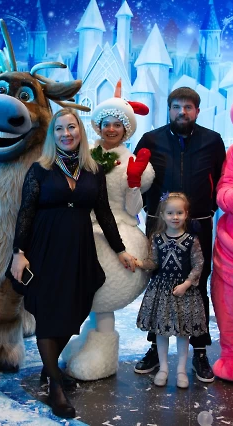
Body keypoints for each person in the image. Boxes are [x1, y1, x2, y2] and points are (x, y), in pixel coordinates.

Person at [10, 108, 136, 418]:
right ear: (52, 135)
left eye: (71, 127)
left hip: (79, 249)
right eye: (60, 129)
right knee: (49, 312)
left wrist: (120, 250)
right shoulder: (40, 169)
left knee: (74, 309)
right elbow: (26, 212)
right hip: (45, 248)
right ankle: (55, 386)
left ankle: (50, 367)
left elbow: (104, 213)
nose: (66, 133)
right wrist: (18, 252)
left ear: (80, 131)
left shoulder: (93, 170)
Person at [133, 87, 226, 383]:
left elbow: (222, 179)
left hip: (197, 225)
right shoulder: (151, 140)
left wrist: (209, 209)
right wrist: (145, 209)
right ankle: (154, 348)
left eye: (188, 107)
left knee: (196, 285)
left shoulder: (213, 140)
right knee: (159, 285)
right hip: (159, 227)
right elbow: (136, 177)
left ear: (197, 110)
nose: (182, 112)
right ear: (168, 109)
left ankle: (199, 351)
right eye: (176, 106)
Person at [63, 86, 155, 381]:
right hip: (82, 228)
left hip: (117, 231)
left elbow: (133, 209)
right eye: (107, 123)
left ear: (126, 129)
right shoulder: (84, 156)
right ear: (98, 126)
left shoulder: (133, 162)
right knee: (82, 292)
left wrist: (134, 183)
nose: (111, 129)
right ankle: (88, 339)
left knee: (104, 293)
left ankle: (103, 348)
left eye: (118, 124)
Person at [135, 192, 207, 389]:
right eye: (170, 213)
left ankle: (181, 370)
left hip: (184, 292)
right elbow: (153, 262)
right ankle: (164, 368)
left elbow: (198, 264)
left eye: (179, 213)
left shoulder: (191, 240)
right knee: (161, 332)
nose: (175, 217)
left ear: (186, 214)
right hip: (162, 292)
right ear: (162, 215)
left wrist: (186, 284)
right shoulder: (157, 238)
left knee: (183, 333)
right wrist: (139, 263)